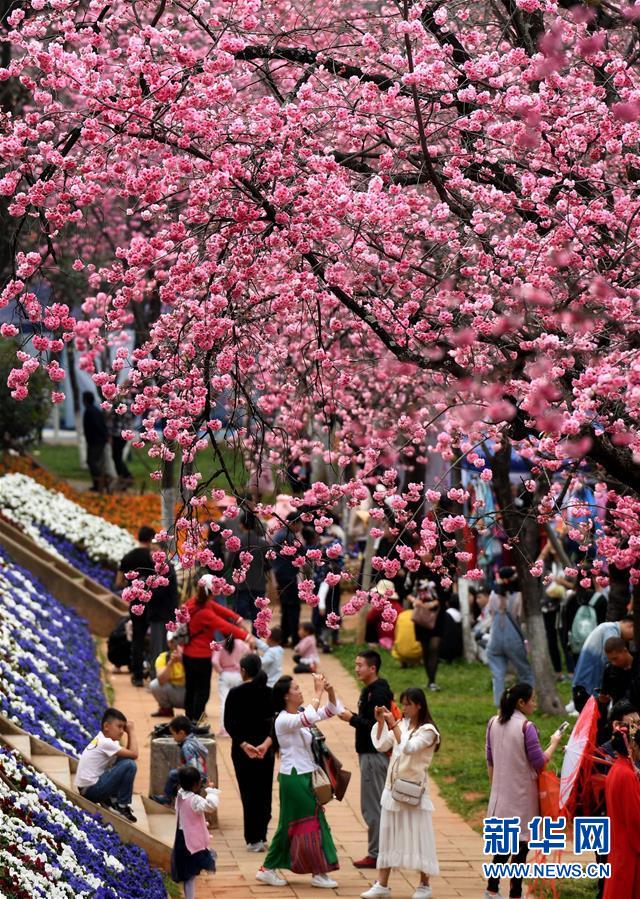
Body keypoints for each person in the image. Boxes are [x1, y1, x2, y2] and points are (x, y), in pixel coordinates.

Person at [256, 673, 342, 889]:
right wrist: (317, 692)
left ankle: (268, 869)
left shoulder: (300, 714)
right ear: (286, 697)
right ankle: (319, 872)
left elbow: (330, 710)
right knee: (314, 821)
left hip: (302, 776)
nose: (299, 691)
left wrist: (329, 690)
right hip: (293, 778)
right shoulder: (283, 720)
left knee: (289, 825)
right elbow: (309, 718)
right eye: (295, 689)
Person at [484, 683, 564, 899]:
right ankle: (515, 893)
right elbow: (539, 762)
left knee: (504, 845)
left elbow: (490, 759)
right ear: (521, 702)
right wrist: (554, 743)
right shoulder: (526, 727)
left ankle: (492, 888)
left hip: (501, 795)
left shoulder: (493, 722)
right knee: (521, 847)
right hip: (522, 796)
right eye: (533, 699)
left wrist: (495, 788)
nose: (535, 704)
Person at [361, 688, 440, 899]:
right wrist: (380, 722)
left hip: (414, 792)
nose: (403, 708)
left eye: (407, 704)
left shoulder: (429, 731)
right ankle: (382, 884)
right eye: (402, 704)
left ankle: (425, 884)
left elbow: (409, 747)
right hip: (392, 789)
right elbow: (380, 744)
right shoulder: (402, 724)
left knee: (419, 836)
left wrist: (393, 723)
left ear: (419, 705)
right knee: (387, 835)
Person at [338, 650, 393, 870]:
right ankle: (382, 850)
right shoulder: (370, 690)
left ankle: (376, 853)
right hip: (369, 754)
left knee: (372, 806)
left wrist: (351, 719)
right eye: (355, 664)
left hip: (373, 754)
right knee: (376, 804)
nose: (356, 668)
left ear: (373, 668)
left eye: (360, 665)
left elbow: (377, 727)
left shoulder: (378, 694)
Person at [224, 654, 275, 852]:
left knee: (249, 793)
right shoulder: (269, 693)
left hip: (243, 752)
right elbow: (274, 723)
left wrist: (244, 744)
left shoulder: (236, 693)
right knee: (264, 792)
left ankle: (253, 838)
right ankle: (261, 834)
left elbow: (229, 723)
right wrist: (267, 744)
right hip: (265, 750)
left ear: (243, 670)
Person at [116, 525, 179, 686]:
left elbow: (119, 581)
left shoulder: (130, 557)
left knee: (139, 639)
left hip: (141, 604)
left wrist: (132, 588)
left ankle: (138, 675)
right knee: (156, 642)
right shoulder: (156, 562)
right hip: (153, 606)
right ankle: (153, 673)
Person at [182, 575, 249, 723]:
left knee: (190, 688)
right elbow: (224, 625)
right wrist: (247, 637)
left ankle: (188, 719)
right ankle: (195, 721)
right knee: (202, 692)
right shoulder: (205, 612)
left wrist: (238, 619)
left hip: (187, 654)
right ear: (212, 592)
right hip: (201, 656)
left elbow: (222, 611)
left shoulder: (194, 603)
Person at [75, 707, 138, 822]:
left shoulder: (103, 739)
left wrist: (128, 734)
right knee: (130, 765)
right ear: (106, 726)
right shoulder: (106, 743)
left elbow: (128, 755)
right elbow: (134, 754)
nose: (122, 731)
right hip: (91, 790)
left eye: (124, 728)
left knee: (125, 762)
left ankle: (113, 800)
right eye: (119, 726)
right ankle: (121, 805)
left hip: (88, 788)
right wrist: (132, 731)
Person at [486, 567, 534, 707]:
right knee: (525, 672)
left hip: (495, 637)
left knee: (498, 674)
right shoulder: (518, 595)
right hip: (513, 638)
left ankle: (500, 704)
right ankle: (527, 700)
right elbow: (521, 617)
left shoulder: (494, 595)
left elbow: (491, 613)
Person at [171, 765, 219, 899]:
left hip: (181, 839)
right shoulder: (195, 800)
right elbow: (211, 805)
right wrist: (211, 790)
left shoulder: (179, 795)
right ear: (196, 784)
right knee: (192, 873)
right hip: (192, 843)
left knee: (188, 876)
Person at [603, 724, 640, 898]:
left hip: (618, 841)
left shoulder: (617, 769)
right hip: (629, 847)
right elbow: (635, 818)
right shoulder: (627, 775)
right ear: (632, 746)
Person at [572, 616, 634, 713]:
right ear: (630, 625)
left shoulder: (606, 627)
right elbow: (610, 662)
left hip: (583, 684)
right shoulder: (610, 629)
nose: (632, 638)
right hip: (588, 686)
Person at [227, 510, 270, 629]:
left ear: (241, 524)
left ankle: (239, 642)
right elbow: (268, 566)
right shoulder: (263, 543)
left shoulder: (237, 542)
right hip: (259, 584)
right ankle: (256, 642)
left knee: (238, 616)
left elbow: (230, 563)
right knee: (258, 618)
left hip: (241, 585)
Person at [152, 715, 208, 804]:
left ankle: (167, 797)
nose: (173, 738)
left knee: (172, 774)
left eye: (173, 734)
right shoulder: (194, 739)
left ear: (181, 733)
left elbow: (192, 767)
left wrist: (183, 769)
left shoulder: (187, 747)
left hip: (196, 776)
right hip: (203, 773)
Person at [409, 579, 447, 692]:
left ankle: (432, 681)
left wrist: (435, 602)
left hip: (437, 615)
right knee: (425, 648)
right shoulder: (414, 573)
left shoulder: (441, 572)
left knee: (434, 647)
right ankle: (430, 680)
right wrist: (416, 601)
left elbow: (446, 592)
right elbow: (406, 590)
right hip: (421, 615)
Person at [272, 512, 303, 647]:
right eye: (300, 523)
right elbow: (302, 553)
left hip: (282, 575)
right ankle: (295, 638)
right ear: (293, 523)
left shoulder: (281, 534)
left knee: (286, 608)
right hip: (288, 576)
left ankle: (284, 638)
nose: (300, 527)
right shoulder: (288, 536)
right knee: (293, 608)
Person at [211, 633, 245, 737]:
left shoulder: (219, 645)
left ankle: (224, 729)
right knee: (238, 703)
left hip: (225, 675)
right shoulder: (240, 643)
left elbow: (214, 661)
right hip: (238, 675)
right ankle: (238, 728)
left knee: (224, 703)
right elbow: (250, 651)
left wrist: (221, 671)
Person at [598, 636, 640, 709]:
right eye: (610, 660)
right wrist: (603, 698)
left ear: (625, 650)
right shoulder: (610, 670)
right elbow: (604, 695)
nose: (613, 663)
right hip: (621, 713)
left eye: (615, 658)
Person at [150, 631, 185, 717]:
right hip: (173, 691)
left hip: (187, 691)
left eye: (178, 640)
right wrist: (171, 663)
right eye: (172, 641)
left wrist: (184, 661)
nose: (176, 644)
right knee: (154, 685)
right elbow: (161, 680)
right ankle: (166, 709)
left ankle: (197, 709)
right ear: (168, 643)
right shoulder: (163, 657)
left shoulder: (191, 656)